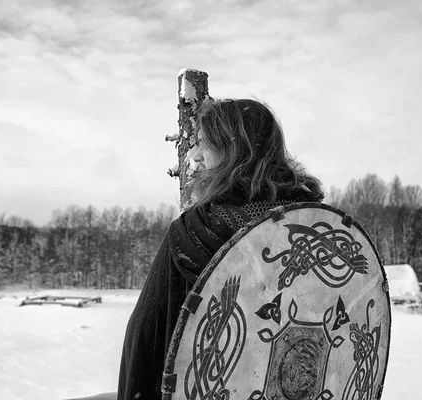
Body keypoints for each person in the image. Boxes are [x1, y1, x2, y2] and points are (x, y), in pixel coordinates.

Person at [117, 98, 325, 400]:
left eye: (205, 143)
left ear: (238, 150)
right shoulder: (315, 232)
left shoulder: (193, 233)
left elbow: (144, 339)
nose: (195, 156)